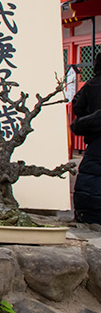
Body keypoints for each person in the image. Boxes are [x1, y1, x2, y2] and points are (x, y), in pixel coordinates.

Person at [71, 55, 101, 224]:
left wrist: (89, 119)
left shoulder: (91, 85)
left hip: (96, 140)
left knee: (92, 178)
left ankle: (88, 216)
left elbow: (77, 106)